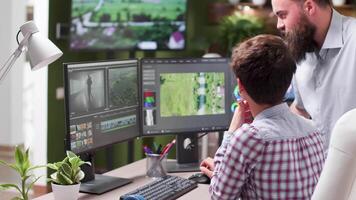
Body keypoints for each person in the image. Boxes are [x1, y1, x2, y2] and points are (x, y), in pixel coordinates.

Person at [200, 35, 325, 199]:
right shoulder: (314, 130)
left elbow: (219, 196)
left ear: (240, 86)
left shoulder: (248, 138)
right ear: (288, 84)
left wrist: (231, 135)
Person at [271, 0, 356, 152]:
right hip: (318, 171)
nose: (279, 25)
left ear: (309, 7)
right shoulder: (300, 48)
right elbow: (301, 109)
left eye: (283, 15)